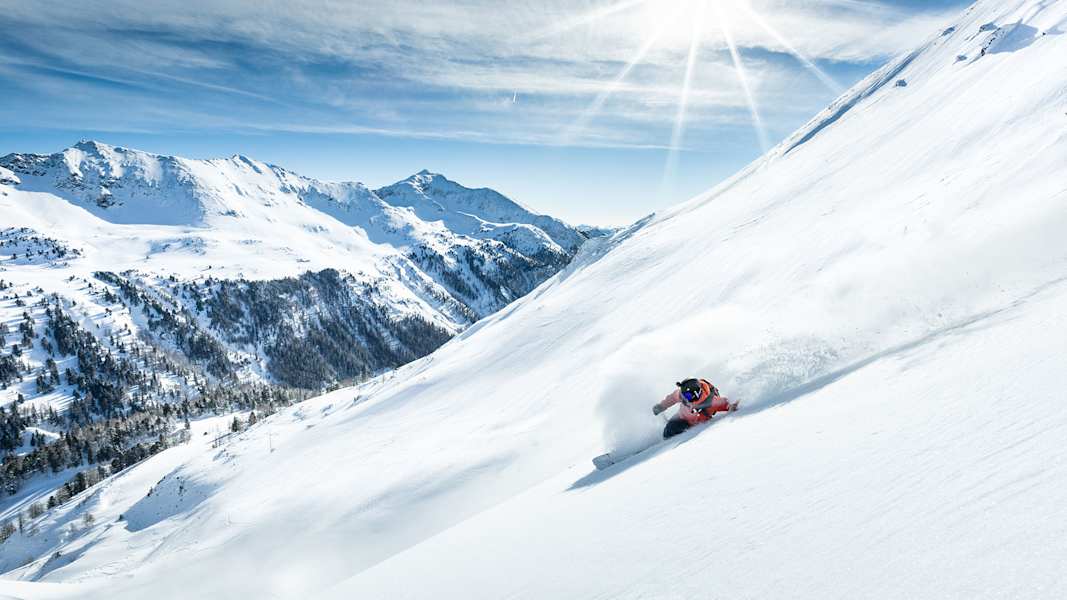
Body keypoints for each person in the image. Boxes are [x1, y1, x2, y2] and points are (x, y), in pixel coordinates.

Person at [652, 378, 738, 439]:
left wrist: (731, 406)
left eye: (688, 396)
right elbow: (672, 398)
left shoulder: (711, 402)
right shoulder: (683, 395)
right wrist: (661, 406)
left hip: (694, 423)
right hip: (681, 416)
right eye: (684, 395)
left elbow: (725, 403)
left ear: (696, 393)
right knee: (668, 431)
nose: (685, 398)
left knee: (671, 432)